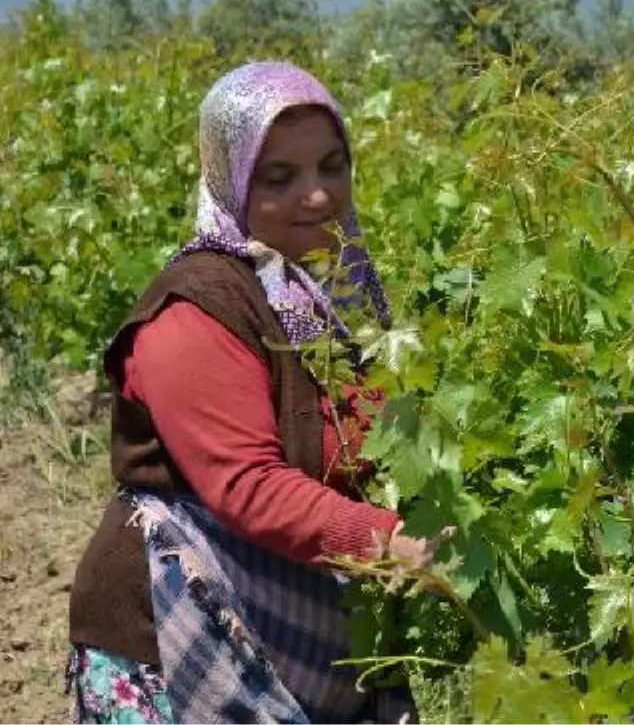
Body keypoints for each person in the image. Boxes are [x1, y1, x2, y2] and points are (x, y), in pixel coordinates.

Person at [65, 61, 446, 724]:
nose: (319, 195)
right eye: (280, 178)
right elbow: (247, 484)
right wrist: (394, 542)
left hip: (300, 636)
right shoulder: (196, 310)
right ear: (231, 179)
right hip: (179, 640)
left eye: (333, 166)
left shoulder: (335, 295)